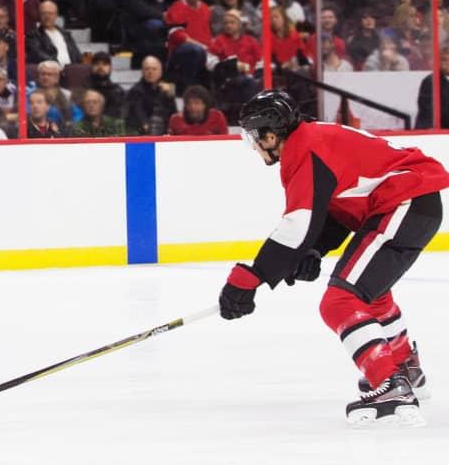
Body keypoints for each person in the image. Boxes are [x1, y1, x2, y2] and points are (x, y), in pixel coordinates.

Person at [219, 89, 449, 426]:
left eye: (254, 138)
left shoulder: (304, 150)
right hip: (411, 204)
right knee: (371, 294)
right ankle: (403, 367)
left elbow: (299, 221)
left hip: (404, 203)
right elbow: (337, 205)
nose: (253, 146)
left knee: (339, 301)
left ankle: (390, 386)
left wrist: (250, 278)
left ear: (271, 135)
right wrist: (314, 249)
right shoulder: (314, 138)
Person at [125, 55, 175, 135]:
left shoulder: (167, 89)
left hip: (165, 134)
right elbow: (139, 114)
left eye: (154, 69)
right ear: (142, 71)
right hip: (142, 134)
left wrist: (170, 95)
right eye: (147, 69)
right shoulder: (135, 91)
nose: (150, 72)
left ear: (161, 72)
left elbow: (173, 114)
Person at [415, 47, 449, 129]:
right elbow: (429, 111)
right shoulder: (430, 82)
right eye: (444, 60)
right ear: (438, 62)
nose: (448, 63)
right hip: (436, 133)